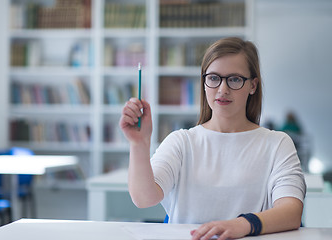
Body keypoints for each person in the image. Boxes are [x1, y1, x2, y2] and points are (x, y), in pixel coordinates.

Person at [119, 37, 306, 240]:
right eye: (214, 78)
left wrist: (241, 225)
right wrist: (139, 143)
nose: (222, 89)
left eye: (234, 79)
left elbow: (291, 212)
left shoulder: (277, 143)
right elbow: (144, 198)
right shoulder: (182, 142)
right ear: (204, 82)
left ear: (253, 85)